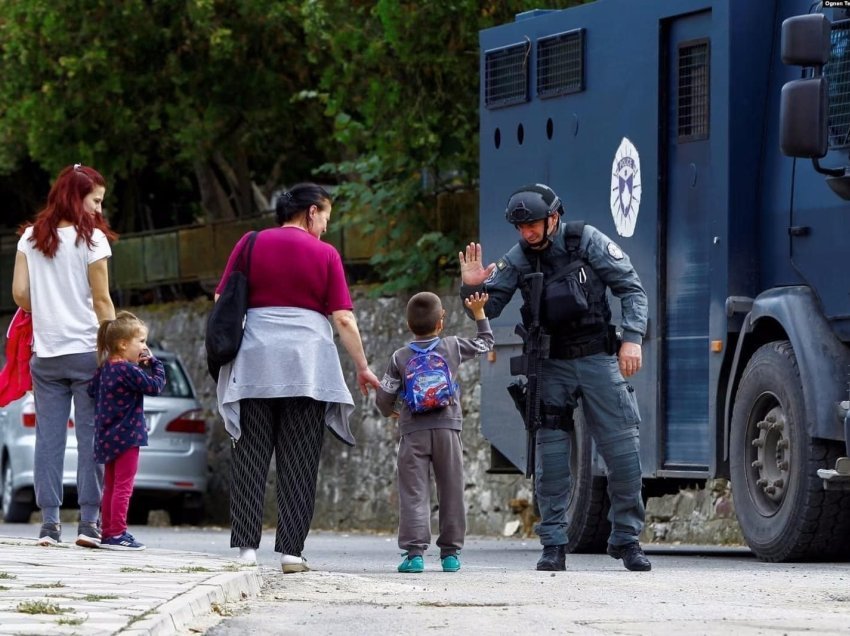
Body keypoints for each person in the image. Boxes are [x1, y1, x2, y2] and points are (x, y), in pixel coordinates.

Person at [458, 183, 651, 572]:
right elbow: (488, 309)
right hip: (551, 365)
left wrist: (632, 339)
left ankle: (627, 540)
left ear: (553, 218)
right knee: (552, 460)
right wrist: (473, 285)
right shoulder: (518, 257)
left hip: (598, 357)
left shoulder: (586, 241)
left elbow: (631, 288)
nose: (526, 233)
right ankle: (554, 544)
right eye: (520, 227)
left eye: (532, 224)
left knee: (624, 453)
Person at [215, 182, 381, 573]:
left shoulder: (250, 243)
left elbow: (223, 299)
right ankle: (291, 553)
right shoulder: (325, 254)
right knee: (301, 460)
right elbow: (342, 317)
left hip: (255, 365)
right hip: (308, 369)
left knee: (251, 453)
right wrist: (361, 365)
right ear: (311, 212)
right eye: (325, 216)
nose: (325, 225)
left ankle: (246, 552)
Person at [11, 163, 116, 548]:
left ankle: (49, 525)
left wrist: (47, 304)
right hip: (88, 351)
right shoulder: (93, 242)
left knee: (48, 440)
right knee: (92, 439)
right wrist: (115, 347)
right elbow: (103, 301)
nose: (99, 210)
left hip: (47, 354)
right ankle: (89, 524)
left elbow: (20, 294)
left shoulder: (29, 239)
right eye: (96, 201)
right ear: (78, 198)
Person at [376, 291, 494, 574]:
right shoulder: (452, 346)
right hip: (448, 429)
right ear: (441, 322)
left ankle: (415, 555)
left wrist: (391, 411)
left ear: (408, 325)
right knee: (451, 489)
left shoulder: (400, 356)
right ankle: (450, 555)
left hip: (413, 431)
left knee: (414, 492)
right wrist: (479, 313)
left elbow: (383, 398)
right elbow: (485, 343)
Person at [88, 312, 165, 551]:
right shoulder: (128, 371)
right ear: (123, 344)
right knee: (124, 486)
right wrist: (154, 363)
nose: (144, 347)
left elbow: (92, 391)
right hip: (128, 437)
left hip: (106, 438)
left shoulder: (105, 369)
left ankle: (108, 532)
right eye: (141, 342)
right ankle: (118, 533)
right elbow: (155, 386)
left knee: (110, 485)